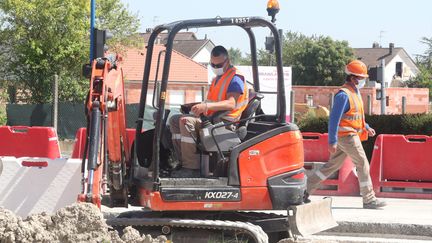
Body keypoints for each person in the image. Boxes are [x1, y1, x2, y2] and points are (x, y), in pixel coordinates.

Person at [305, 60, 387, 209]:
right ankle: (369, 199)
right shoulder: (343, 95)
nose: (363, 81)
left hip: (349, 135)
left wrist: (366, 127)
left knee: (331, 166)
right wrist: (332, 141)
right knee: (362, 163)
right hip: (347, 137)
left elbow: (355, 116)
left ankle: (304, 192)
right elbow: (333, 120)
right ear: (353, 78)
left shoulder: (354, 93)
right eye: (361, 78)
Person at [168, 45, 248, 177]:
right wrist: (196, 105)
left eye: (219, 65)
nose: (216, 68)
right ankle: (181, 162)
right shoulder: (217, 79)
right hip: (213, 118)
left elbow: (231, 104)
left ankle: (192, 168)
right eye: (213, 65)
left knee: (186, 121)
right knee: (174, 120)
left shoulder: (235, 78)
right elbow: (211, 102)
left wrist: (205, 107)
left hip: (226, 122)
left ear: (227, 61)